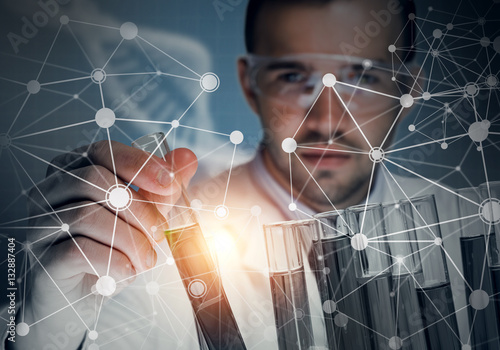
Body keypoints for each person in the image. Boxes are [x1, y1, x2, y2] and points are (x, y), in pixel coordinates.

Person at [4, 0, 467, 349]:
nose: (328, 118)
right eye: (292, 76)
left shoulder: (473, 228)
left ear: (408, 88)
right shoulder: (155, 253)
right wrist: (44, 329)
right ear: (250, 84)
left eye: (361, 79)